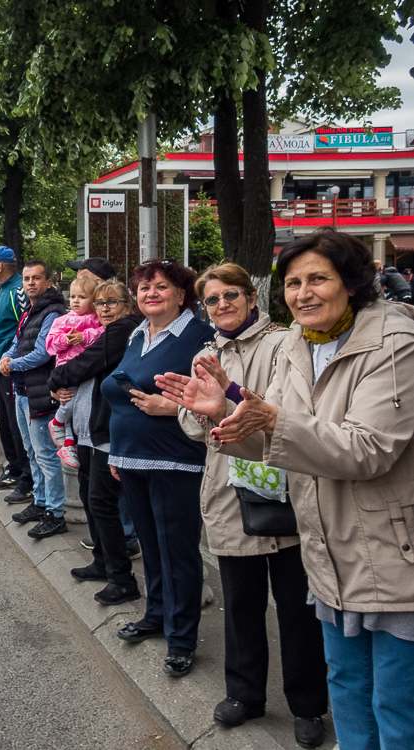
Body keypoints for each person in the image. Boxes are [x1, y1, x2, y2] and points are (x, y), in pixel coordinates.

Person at [159, 229, 414, 749]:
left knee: (395, 702)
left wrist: (267, 419)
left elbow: (366, 449)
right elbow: (274, 445)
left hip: (390, 551)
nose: (304, 293)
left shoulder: (394, 344)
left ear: (353, 282)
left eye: (318, 278)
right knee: (346, 686)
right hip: (328, 552)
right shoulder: (300, 342)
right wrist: (223, 417)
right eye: (294, 282)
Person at [157, 262, 329, 744]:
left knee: (297, 608)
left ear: (251, 299)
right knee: (241, 602)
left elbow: (283, 412)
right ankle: (246, 694)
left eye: (231, 295)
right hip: (228, 490)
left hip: (284, 484)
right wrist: (196, 408)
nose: (222, 305)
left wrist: (226, 401)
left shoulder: (284, 344)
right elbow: (195, 427)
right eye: (211, 299)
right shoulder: (206, 350)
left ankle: (309, 704)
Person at [100, 258, 215, 679]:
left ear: (182, 295)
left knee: (178, 551)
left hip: (175, 460)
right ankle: (157, 614)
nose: (151, 294)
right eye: (144, 287)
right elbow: (120, 387)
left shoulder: (200, 339)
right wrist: (116, 453)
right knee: (150, 547)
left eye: (161, 287)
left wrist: (174, 406)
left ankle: (182, 638)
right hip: (131, 457)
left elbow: (215, 399)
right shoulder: (137, 333)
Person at [49, 280, 144, 606]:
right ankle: (103, 561)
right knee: (93, 501)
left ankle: (122, 578)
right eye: (100, 302)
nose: (104, 308)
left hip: (106, 432)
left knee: (102, 503)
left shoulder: (122, 330)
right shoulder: (105, 331)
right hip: (90, 429)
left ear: (128, 306)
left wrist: (56, 380)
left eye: (112, 302)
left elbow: (83, 365)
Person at [0, 260, 69, 538]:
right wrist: (7, 356)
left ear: (48, 281)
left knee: (46, 456)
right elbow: (18, 342)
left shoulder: (52, 311)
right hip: (23, 389)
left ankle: (55, 512)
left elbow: (43, 353)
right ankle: (40, 502)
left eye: (36, 278)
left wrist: (11, 365)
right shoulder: (31, 309)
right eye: (27, 278)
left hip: (40, 392)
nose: (30, 283)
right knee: (32, 451)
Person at [0, 247, 34, 504]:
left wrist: (12, 357)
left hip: (10, 369)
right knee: (6, 423)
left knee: (16, 425)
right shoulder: (2, 290)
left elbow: (24, 327)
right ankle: (13, 468)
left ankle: (26, 477)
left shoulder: (16, 291)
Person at [45, 275, 103, 468]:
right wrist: (64, 340)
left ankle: (69, 443)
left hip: (87, 369)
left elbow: (104, 335)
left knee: (77, 407)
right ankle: (58, 423)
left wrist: (84, 336)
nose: (75, 301)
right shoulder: (63, 320)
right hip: (66, 368)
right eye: (72, 297)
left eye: (82, 297)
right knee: (70, 402)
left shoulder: (97, 320)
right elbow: (50, 345)